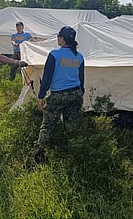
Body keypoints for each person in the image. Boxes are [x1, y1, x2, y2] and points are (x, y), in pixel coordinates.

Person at [34, 26, 85, 164]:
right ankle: (74, 150)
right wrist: (81, 93)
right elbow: (81, 78)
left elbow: (47, 77)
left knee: (48, 125)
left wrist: (41, 96)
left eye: (58, 36)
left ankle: (40, 152)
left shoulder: (54, 54)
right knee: (71, 124)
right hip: (75, 93)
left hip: (58, 95)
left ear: (62, 39)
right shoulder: (79, 56)